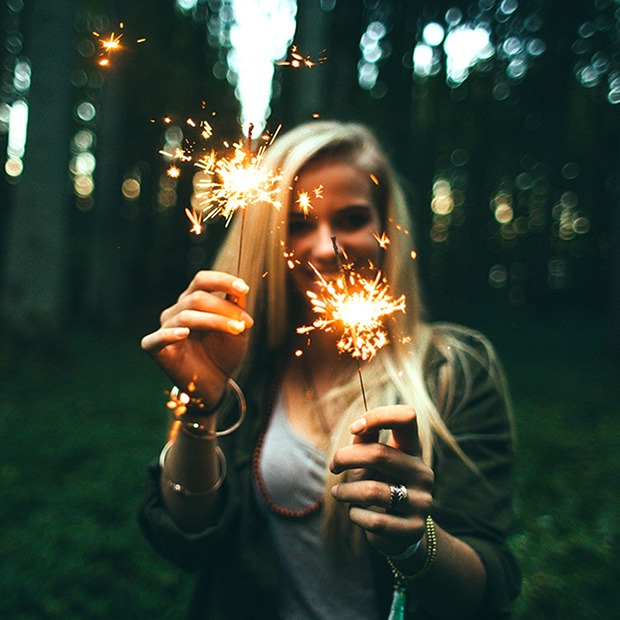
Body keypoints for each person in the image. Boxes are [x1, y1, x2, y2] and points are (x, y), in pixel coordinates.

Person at [139, 121, 521, 619]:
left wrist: (415, 540)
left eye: (352, 218)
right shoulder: (248, 366)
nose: (325, 247)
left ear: (387, 228)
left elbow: (488, 584)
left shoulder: (455, 370)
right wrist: (201, 401)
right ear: (267, 235)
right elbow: (187, 536)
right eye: (298, 223)